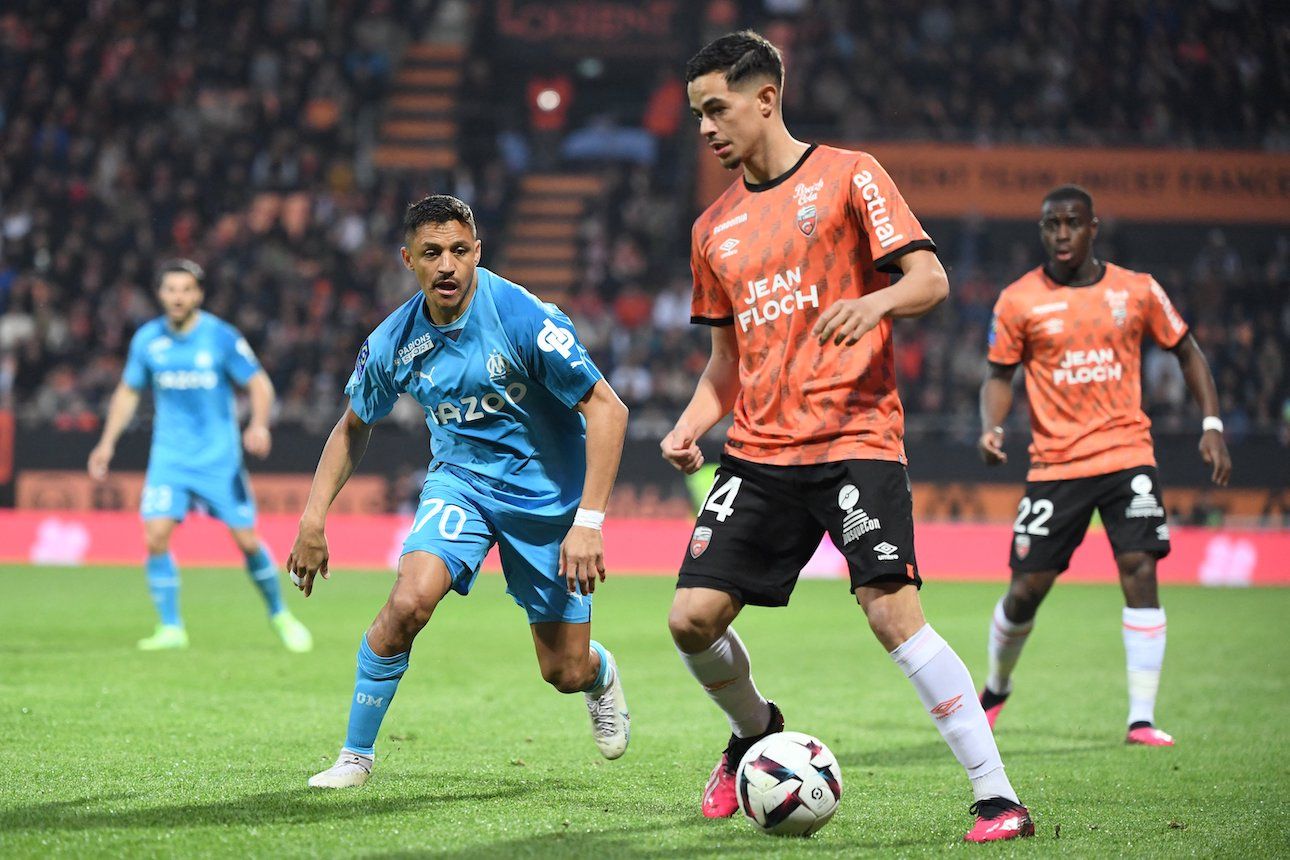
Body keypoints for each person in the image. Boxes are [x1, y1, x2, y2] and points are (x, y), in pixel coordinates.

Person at [659, 30, 1033, 843]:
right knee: (690, 619)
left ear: (766, 98)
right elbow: (726, 362)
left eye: (715, 109)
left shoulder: (848, 175)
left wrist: (875, 303)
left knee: (890, 610)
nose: (705, 129)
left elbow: (928, 277)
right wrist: (691, 425)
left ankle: (997, 797)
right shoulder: (712, 229)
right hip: (759, 451)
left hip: (854, 436)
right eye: (696, 115)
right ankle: (755, 733)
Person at [291, 195, 631, 789]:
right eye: (431, 254)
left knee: (563, 670)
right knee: (407, 603)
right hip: (461, 485)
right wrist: (313, 519)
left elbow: (608, 409)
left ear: (477, 252)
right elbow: (353, 426)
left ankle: (600, 674)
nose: (446, 265)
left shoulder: (522, 317)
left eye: (457, 250)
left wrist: (589, 522)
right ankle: (355, 755)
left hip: (548, 498)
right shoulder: (394, 339)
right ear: (408, 261)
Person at [977, 185, 1231, 747]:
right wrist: (992, 427)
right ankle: (995, 688)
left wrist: (1212, 425)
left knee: (1140, 568)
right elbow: (999, 374)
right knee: (1025, 591)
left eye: (1072, 222)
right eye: (1050, 224)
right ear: (1041, 230)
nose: (1061, 233)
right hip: (1055, 464)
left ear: (1094, 228)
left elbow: (1187, 350)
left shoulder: (1136, 291)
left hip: (1126, 456)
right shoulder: (1018, 300)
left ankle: (1141, 718)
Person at [88, 260, 312, 653]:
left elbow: (259, 384)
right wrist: (106, 442)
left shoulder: (220, 337)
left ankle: (280, 615)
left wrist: (259, 424)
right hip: (169, 459)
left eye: (186, 289)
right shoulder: (147, 340)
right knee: (155, 536)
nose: (178, 296)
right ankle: (171, 628)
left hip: (218, 459)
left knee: (246, 541)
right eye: (171, 289)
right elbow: (128, 392)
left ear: (198, 294)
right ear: (160, 294)